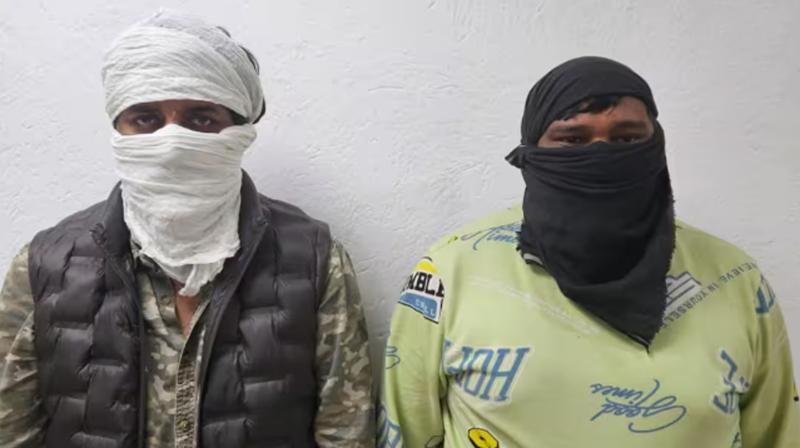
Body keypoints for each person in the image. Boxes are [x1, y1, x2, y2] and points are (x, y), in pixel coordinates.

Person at [379, 56, 799, 447]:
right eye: (572, 140)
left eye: (627, 138)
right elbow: (406, 432)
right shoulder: (452, 273)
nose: (601, 156)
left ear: (656, 146)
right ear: (532, 153)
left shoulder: (734, 281)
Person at [0, 10, 374, 448]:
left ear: (239, 130)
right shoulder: (46, 266)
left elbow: (345, 433)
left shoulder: (314, 261)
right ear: (118, 128)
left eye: (201, 119)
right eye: (145, 119)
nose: (172, 143)